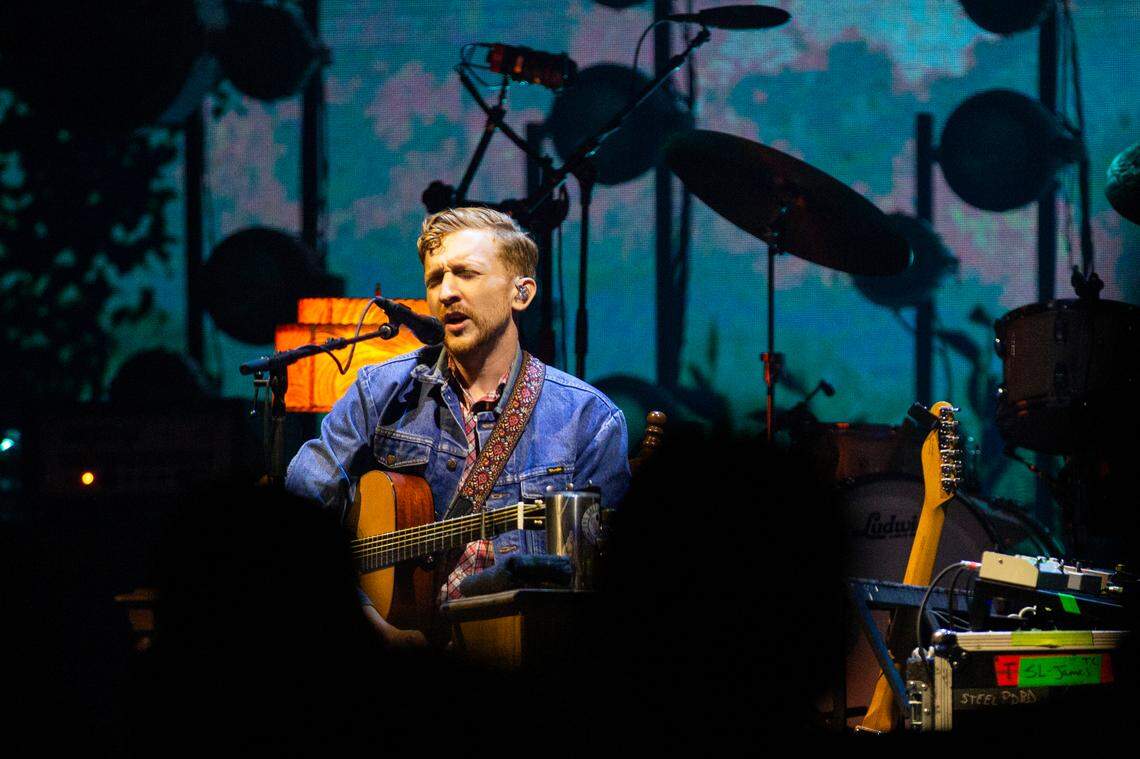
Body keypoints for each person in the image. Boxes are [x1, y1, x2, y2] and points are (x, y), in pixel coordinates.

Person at [285, 207, 630, 647]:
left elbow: (599, 593)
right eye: (435, 279)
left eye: (466, 274)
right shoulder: (381, 391)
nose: (446, 292)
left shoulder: (589, 420)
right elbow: (297, 511)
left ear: (520, 294)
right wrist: (370, 622)